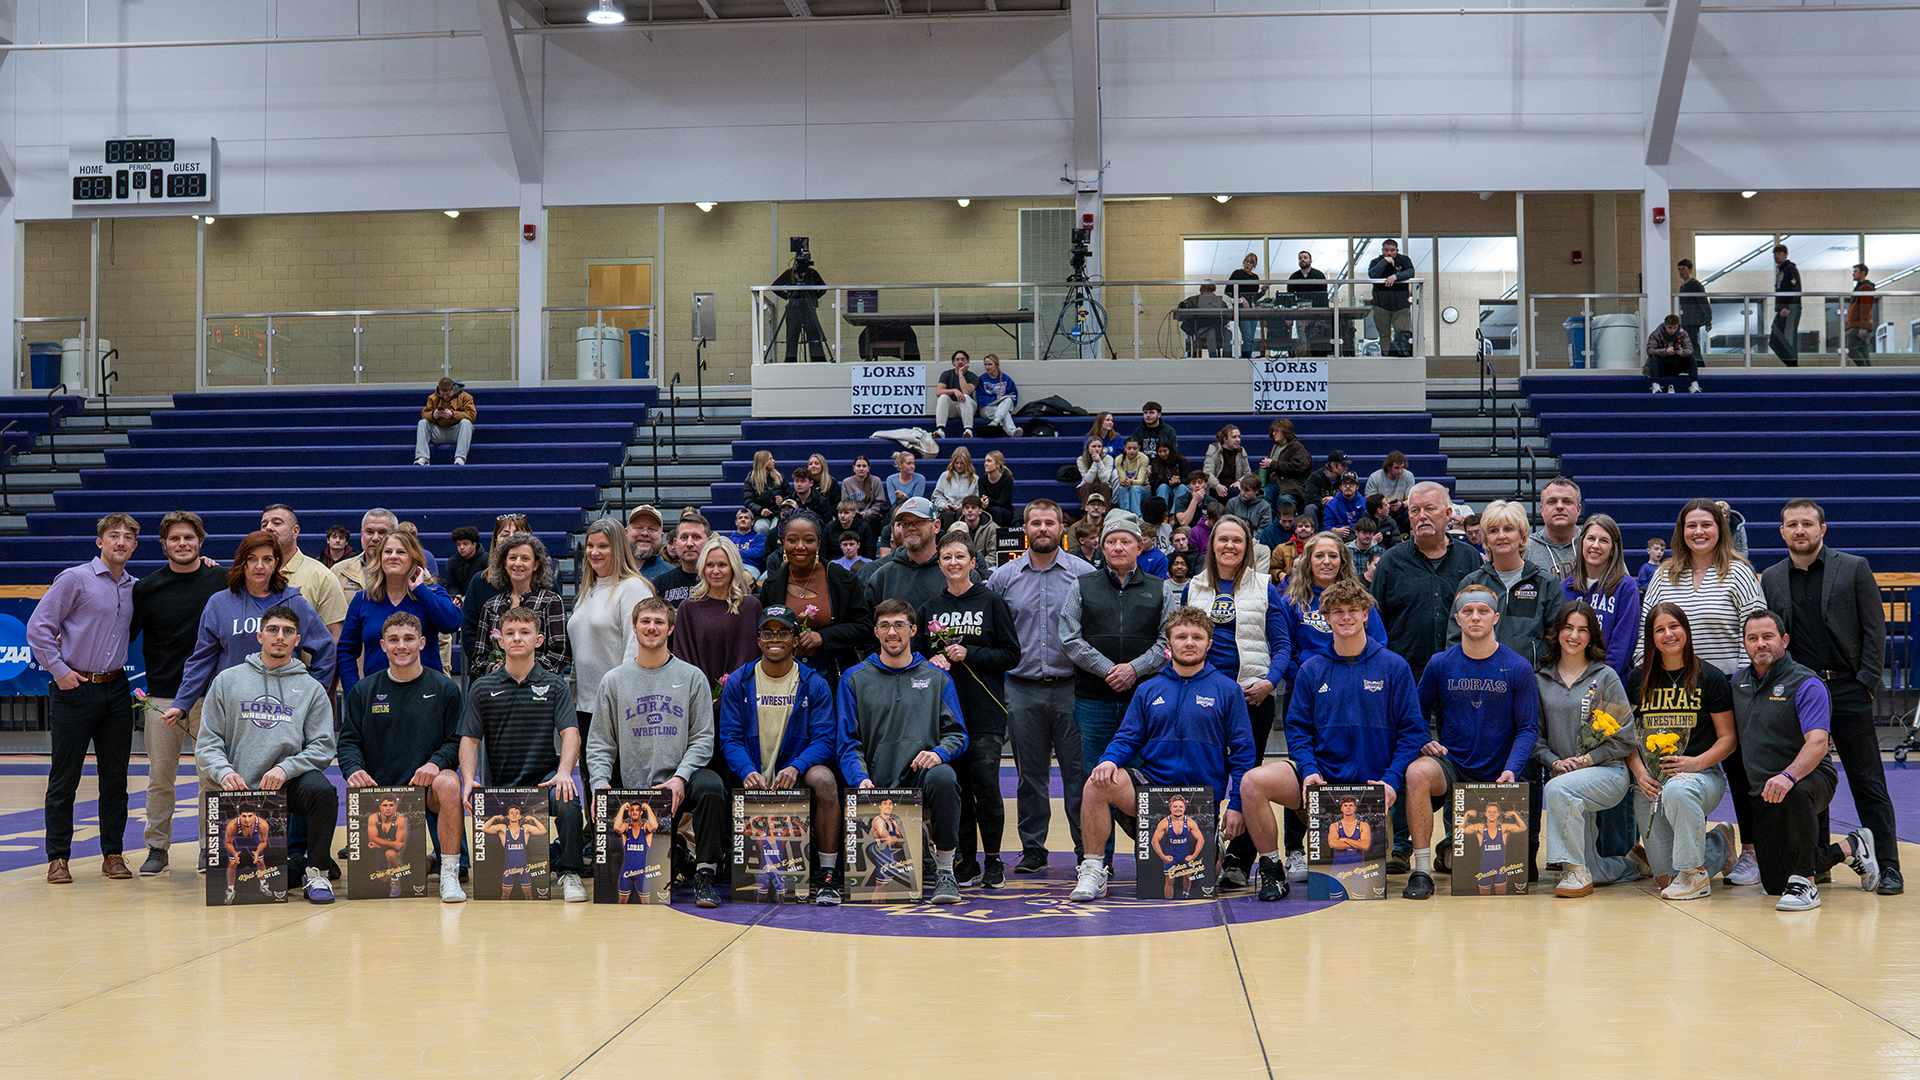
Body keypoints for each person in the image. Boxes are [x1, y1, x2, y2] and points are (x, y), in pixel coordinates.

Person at [1240, 580, 1423, 901]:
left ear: (1367, 614)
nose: (1346, 617)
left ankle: (1418, 866)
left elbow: (1412, 731)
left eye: (1353, 610)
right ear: (1325, 618)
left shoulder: (1394, 667)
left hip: (1375, 787)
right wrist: (1309, 770)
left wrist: (1391, 780)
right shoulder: (1312, 669)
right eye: (1337, 611)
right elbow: (1296, 728)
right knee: (1253, 782)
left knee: (1360, 882)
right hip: (1321, 782)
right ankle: (1271, 868)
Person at [1760, 498, 1899, 895]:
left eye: (1807, 523)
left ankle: (1889, 865)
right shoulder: (1771, 577)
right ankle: (1817, 862)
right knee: (1807, 777)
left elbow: (1875, 630)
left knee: (1868, 781)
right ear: (1782, 532)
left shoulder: (1853, 568)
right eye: (1792, 524)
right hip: (1803, 693)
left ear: (1823, 529)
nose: (1800, 530)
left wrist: (1866, 683)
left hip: (1848, 687)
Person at [1071, 606, 1256, 901]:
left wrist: (1236, 804)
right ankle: (1094, 868)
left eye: (1197, 637)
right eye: (1181, 636)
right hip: (1152, 790)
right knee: (1097, 783)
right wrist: (1109, 760)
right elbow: (1128, 736)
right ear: (1169, 644)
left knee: (1196, 884)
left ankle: (1216, 846)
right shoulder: (1149, 688)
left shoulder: (1227, 690)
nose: (1189, 642)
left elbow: (1243, 752)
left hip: (1200, 800)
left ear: (1209, 643)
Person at [1637, 497, 1766, 884]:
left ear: (1720, 529)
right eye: (1691, 525)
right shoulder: (1664, 574)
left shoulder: (1739, 572)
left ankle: (1753, 852)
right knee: (1673, 772)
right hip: (1674, 689)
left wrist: (1748, 683)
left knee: (1742, 773)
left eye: (1706, 525)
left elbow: (1755, 629)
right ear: (1681, 531)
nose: (1699, 532)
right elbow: (1649, 626)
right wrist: (1644, 675)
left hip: (1728, 683)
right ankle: (1695, 851)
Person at [1738, 610, 1883, 910]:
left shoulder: (1806, 683)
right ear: (1745, 644)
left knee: (1796, 792)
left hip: (1810, 778)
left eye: (1768, 636)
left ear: (1785, 640)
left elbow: (1817, 743)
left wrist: (1788, 776)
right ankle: (1851, 847)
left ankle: (1806, 884)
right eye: (1753, 638)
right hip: (1763, 791)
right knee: (1775, 884)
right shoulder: (1738, 683)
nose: (1760, 644)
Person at [195, 604, 340, 904]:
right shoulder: (227, 680)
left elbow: (323, 746)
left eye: (288, 632)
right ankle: (299, 864)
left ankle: (318, 872)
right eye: (273, 630)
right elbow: (208, 742)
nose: (280, 637)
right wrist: (224, 772)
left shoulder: (310, 688)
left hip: (286, 783)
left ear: (297, 640)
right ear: (259, 635)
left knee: (323, 792)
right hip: (241, 785)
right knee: (252, 884)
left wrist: (286, 768)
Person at [588, 597, 727, 907]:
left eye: (659, 622)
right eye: (645, 622)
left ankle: (705, 876)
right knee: (633, 888)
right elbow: (600, 743)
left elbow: (703, 738)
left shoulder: (692, 677)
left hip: (679, 782)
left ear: (671, 629)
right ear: (634, 628)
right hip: (635, 790)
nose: (651, 627)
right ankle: (675, 853)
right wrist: (599, 784)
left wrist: (681, 777)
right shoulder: (614, 681)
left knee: (712, 788)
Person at [1401, 585, 1539, 899]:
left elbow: (1528, 728)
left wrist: (1512, 769)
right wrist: (1425, 739)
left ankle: (1469, 848)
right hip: (1454, 764)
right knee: (1417, 773)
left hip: (1499, 769)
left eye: (1482, 611)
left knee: (1518, 875)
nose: (1475, 617)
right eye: (1467, 611)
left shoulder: (1517, 667)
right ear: (1458, 618)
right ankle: (1421, 871)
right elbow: (1416, 713)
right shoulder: (1440, 663)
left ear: (1495, 618)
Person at [28, 514, 141, 885]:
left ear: (135, 545)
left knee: (115, 778)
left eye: (128, 537)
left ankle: (113, 854)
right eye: (113, 536)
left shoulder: (134, 587)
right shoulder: (75, 579)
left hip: (115, 690)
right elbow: (39, 628)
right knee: (64, 778)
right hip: (75, 689)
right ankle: (58, 858)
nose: (120, 542)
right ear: (100, 542)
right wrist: (60, 671)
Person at [1179, 514, 1290, 883]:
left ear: (1247, 548)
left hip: (1251, 697)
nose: (1229, 546)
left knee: (1247, 781)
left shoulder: (1263, 585)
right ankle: (1202, 854)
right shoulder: (1193, 586)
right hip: (1204, 700)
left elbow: (1283, 645)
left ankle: (1239, 863)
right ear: (1211, 545)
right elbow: (1181, 640)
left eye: (1237, 541)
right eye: (1222, 539)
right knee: (1205, 773)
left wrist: (1269, 683)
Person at [988, 499, 1097, 873]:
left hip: (1072, 687)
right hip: (1022, 687)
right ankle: (1034, 847)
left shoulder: (1084, 574)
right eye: (1035, 523)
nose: (1043, 529)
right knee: (1028, 776)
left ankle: (1088, 849)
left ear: (1061, 528)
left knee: (1077, 775)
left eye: (1050, 522)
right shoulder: (1004, 577)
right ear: (1025, 529)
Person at [837, 598, 970, 904]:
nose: (892, 632)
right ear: (875, 632)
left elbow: (958, 734)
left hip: (917, 779)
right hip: (872, 782)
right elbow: (846, 742)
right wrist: (860, 778)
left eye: (899, 625)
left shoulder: (937, 678)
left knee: (945, 777)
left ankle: (945, 872)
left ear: (913, 630)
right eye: (884, 625)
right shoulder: (854, 678)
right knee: (872, 886)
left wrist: (938, 753)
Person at [1059, 514, 1171, 858]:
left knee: (1143, 782)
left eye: (1125, 541)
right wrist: (1109, 670)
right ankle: (1097, 860)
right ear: (1100, 546)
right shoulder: (1082, 586)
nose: (1118, 547)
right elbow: (1069, 638)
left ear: (1140, 546)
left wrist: (1134, 671)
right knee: (1096, 782)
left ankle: (1154, 858)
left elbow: (1168, 642)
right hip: (1093, 701)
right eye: (1111, 541)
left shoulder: (1160, 588)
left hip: (1145, 702)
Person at [716, 605, 845, 902]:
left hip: (795, 778)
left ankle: (827, 875)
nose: (775, 639)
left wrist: (797, 766)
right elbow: (730, 738)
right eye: (768, 632)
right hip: (753, 778)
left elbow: (825, 739)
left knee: (824, 779)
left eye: (783, 632)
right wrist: (747, 770)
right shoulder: (740, 681)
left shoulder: (814, 683)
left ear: (796, 639)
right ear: (759, 640)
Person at [460, 606, 588, 902]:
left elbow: (571, 733)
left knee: (567, 799)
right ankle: (455, 869)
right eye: (510, 633)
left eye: (525, 632)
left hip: (543, 783)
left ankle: (569, 873)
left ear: (538, 640)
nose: (517, 638)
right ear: (500, 642)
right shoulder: (481, 687)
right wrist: (468, 779)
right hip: (499, 789)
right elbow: (469, 739)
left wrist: (565, 771)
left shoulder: (555, 685)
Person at [337, 612, 468, 902]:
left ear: (422, 643)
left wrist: (436, 763)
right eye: (394, 640)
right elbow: (348, 743)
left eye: (409, 639)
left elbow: (457, 740)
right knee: (382, 881)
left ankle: (448, 872)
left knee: (449, 783)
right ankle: (428, 862)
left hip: (425, 792)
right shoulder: (363, 691)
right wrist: (353, 768)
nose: (401, 646)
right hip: (380, 794)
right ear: (382, 645)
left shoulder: (445, 689)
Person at [917, 533, 1022, 888]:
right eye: (946, 557)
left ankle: (993, 861)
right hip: (944, 717)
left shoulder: (991, 601)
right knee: (956, 789)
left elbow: (1011, 655)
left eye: (960, 556)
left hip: (984, 712)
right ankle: (965, 860)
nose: (953, 563)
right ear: (940, 563)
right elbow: (915, 658)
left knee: (987, 789)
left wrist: (971, 654)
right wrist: (930, 660)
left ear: (973, 562)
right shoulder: (930, 607)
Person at [129, 511, 228, 876]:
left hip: (211, 698)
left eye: (189, 538)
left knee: (212, 777)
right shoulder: (147, 588)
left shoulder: (222, 580)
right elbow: (120, 633)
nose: (183, 544)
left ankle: (210, 847)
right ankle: (157, 848)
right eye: (175, 539)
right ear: (164, 544)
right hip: (163, 698)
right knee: (160, 777)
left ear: (201, 542)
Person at [1625, 602, 1738, 900]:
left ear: (1686, 630)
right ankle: (1718, 844)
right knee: (1664, 880)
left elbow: (1728, 739)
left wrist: (1695, 763)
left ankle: (1695, 875)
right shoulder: (1638, 679)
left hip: (1701, 777)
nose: (1668, 634)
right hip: (1651, 783)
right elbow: (1626, 737)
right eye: (1659, 629)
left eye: (1674, 626)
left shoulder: (1710, 678)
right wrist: (1639, 773)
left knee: (1679, 789)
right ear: (1651, 638)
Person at [165, 532, 337, 726]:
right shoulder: (220, 603)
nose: (260, 566)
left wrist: (312, 692)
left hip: (281, 708)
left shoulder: (294, 603)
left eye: (267, 559)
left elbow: (325, 648)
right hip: (232, 705)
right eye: (252, 559)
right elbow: (202, 659)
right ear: (242, 563)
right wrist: (182, 702)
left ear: (276, 563)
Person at [1533, 602, 1639, 898]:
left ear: (1592, 636)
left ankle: (1574, 872)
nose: (1574, 636)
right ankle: (1632, 864)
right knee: (1600, 872)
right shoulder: (1541, 679)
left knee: (1557, 790)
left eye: (1582, 629)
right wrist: (1554, 763)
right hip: (1563, 775)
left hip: (1608, 774)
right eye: (1568, 628)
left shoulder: (1605, 676)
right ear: (1557, 633)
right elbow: (1535, 737)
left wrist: (1589, 759)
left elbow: (1625, 736)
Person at [1370, 481, 1484, 679]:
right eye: (1415, 510)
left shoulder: (1470, 558)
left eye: (1430, 509)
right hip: (1405, 675)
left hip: (1461, 673)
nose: (1422, 516)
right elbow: (1375, 622)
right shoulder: (1390, 561)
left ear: (1448, 514)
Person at [759, 512, 872, 688]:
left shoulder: (843, 580)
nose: (800, 546)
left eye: (809, 540)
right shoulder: (771, 586)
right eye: (792, 540)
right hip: (784, 677)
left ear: (819, 544)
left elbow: (864, 628)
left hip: (833, 675)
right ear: (782, 544)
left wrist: (823, 637)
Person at [1451, 500, 1563, 666]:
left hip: (1532, 681)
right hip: (1482, 682)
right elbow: (1454, 640)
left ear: (1522, 536)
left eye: (1508, 529)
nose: (1501, 536)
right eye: (1494, 530)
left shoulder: (1545, 583)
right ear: (1486, 539)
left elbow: (1557, 641)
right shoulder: (1471, 584)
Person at [568, 518, 656, 722]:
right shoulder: (587, 590)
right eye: (590, 545)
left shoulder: (633, 587)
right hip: (585, 706)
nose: (594, 552)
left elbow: (637, 649)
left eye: (603, 546)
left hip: (620, 706)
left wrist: (621, 698)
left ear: (617, 549)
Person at [467, 533, 568, 678]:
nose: (518, 563)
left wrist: (522, 671)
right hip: (499, 689)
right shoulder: (491, 606)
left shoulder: (551, 601)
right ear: (504, 563)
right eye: (512, 558)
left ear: (536, 565)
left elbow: (560, 653)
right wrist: (497, 670)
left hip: (539, 688)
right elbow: (479, 658)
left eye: (525, 558)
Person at [670, 535, 763, 688]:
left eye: (722, 565)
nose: (715, 571)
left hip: (740, 697)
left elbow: (753, 657)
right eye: (710, 565)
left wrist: (729, 692)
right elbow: (683, 660)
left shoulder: (751, 606)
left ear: (733, 567)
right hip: (700, 696)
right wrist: (704, 695)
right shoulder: (688, 608)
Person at [1565, 514, 1641, 678]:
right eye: (1591, 538)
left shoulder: (1626, 587)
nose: (1595, 545)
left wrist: (1600, 681)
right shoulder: (1564, 587)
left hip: (1610, 684)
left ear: (1613, 549)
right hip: (1570, 682)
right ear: (1581, 542)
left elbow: (1622, 645)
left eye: (1604, 541)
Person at [258, 504, 349, 639]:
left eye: (277, 523)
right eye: (264, 525)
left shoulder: (321, 576)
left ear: (295, 531)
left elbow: (335, 634)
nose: (269, 528)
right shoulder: (251, 574)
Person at [863, 497, 948, 615]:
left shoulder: (953, 572)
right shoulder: (882, 577)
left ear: (936, 526)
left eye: (918, 521)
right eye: (905, 523)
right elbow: (867, 626)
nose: (911, 528)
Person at [771, 244, 828, 362]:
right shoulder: (789, 273)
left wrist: (813, 296)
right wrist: (787, 296)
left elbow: (823, 288)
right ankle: (790, 362)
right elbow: (775, 287)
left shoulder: (812, 273)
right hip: (794, 309)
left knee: (814, 338)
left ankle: (818, 362)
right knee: (792, 338)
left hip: (808, 308)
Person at [331, 507, 397, 596]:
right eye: (370, 532)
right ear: (362, 535)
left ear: (395, 536)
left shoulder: (413, 573)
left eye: (382, 532)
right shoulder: (339, 572)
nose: (375, 538)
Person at [1367, 239, 1416, 356]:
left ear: (1397, 250)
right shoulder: (1376, 262)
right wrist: (1384, 262)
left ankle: (1403, 356)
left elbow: (1410, 272)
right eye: (1386, 250)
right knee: (1384, 335)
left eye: (1392, 250)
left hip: (1400, 306)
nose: (1389, 253)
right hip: (1381, 306)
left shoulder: (1404, 260)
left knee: (1402, 333)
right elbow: (1372, 275)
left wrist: (1396, 276)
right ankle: (1386, 356)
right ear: (1382, 250)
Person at [651, 513, 711, 607]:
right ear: (675, 543)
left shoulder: (719, 581)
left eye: (696, 537)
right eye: (684, 537)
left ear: (709, 542)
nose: (689, 543)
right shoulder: (660, 584)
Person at [1526, 477, 1581, 580]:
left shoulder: (1592, 545)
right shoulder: (1526, 549)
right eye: (1552, 501)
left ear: (1578, 509)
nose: (1559, 506)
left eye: (1567, 501)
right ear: (1542, 510)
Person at [414, 376, 475, 465]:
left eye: (448, 395)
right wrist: (433, 415)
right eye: (443, 395)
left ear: (453, 389)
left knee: (466, 423)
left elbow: (471, 415)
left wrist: (453, 415)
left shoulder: (465, 397)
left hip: (456, 432)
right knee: (422, 423)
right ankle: (423, 458)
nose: (445, 397)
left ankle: (460, 458)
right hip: (439, 432)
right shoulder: (432, 398)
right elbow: (424, 414)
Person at [1259, 418, 1311, 516]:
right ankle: (1270, 526)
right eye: (1273, 431)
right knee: (1263, 495)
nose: (1274, 433)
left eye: (1277, 431)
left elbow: (1298, 467)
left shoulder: (1297, 447)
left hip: (1292, 485)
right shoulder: (1276, 447)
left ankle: (1287, 526)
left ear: (1286, 432)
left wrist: (1272, 464)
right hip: (1275, 483)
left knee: (1285, 499)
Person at [1676, 257, 1710, 389]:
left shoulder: (1695, 285)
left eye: (1683, 269)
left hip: (1693, 320)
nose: (1681, 272)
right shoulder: (1683, 286)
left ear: (1689, 269)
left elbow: (1702, 301)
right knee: (1688, 343)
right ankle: (1693, 365)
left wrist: (1708, 319)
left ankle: (1699, 366)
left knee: (1692, 343)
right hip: (1686, 320)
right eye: (1679, 269)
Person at [1288, 250, 1331, 352]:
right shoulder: (1294, 277)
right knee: (1301, 329)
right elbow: (1289, 297)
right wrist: (1289, 315)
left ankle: (1318, 354)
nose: (1302, 259)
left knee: (1319, 335)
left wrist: (1324, 314)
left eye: (1305, 257)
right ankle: (1304, 353)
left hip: (1318, 314)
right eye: (1300, 258)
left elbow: (1323, 297)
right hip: (1302, 314)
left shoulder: (1319, 275)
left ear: (1310, 260)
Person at [933, 349, 980, 438]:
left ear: (967, 362)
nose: (960, 362)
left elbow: (967, 391)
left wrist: (961, 374)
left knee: (965, 396)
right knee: (943, 397)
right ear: (953, 362)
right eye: (957, 360)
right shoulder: (946, 374)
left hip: (967, 407)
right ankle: (940, 430)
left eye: (963, 359)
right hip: (953, 407)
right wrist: (954, 390)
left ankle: (968, 430)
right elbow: (939, 392)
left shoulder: (973, 377)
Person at [1769, 242, 1802, 367]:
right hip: (1781, 309)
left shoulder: (1790, 270)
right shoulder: (1781, 271)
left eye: (1779, 253)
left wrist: (1788, 307)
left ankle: (1793, 366)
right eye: (1775, 254)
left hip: (1789, 309)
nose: (1776, 256)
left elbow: (1795, 289)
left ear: (1785, 254)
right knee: (1775, 339)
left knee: (1788, 338)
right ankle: (1791, 364)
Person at [1646, 314, 1697, 395]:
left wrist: (1682, 352)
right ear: (1665, 325)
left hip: (1676, 363)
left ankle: (1694, 384)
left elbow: (1690, 350)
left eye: (1674, 327)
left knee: (1691, 358)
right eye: (1670, 327)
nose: (1672, 330)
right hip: (1662, 364)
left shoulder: (1683, 334)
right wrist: (1665, 351)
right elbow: (1650, 351)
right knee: (1654, 358)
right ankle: (1655, 385)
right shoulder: (1656, 334)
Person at [1302, 449, 1351, 529]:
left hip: (1338, 512)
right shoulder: (1316, 477)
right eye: (1342, 465)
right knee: (1310, 508)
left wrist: (1334, 500)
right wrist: (1324, 501)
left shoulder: (1346, 479)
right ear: (1332, 465)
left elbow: (1351, 497)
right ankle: (1313, 537)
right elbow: (1309, 497)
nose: (1346, 468)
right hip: (1320, 511)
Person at [1203, 425, 1253, 503]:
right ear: (1225, 439)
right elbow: (1207, 473)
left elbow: (1247, 473)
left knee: (1237, 493)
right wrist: (1216, 485)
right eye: (1234, 437)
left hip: (1233, 486)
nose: (1238, 440)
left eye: (1239, 437)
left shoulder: (1241, 452)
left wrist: (1240, 482)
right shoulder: (1214, 450)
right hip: (1217, 486)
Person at [975, 354, 1021, 437]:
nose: (987, 367)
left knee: (1008, 400)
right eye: (985, 364)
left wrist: (1002, 399)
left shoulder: (1006, 379)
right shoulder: (982, 379)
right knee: (1004, 411)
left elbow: (1014, 396)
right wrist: (995, 398)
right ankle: (1012, 431)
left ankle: (996, 421)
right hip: (987, 408)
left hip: (1003, 405)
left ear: (996, 364)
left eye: (990, 364)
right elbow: (980, 399)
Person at [442, 525, 487, 608]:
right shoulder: (452, 561)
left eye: (465, 544)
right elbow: (450, 584)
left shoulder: (486, 560)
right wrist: (457, 596)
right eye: (459, 544)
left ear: (474, 544)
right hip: (458, 602)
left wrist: (468, 597)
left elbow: (486, 585)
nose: (461, 547)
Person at [627, 504, 673, 583]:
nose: (645, 533)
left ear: (661, 536)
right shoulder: (610, 572)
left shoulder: (671, 576)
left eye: (652, 529)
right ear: (626, 533)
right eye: (638, 527)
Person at [933, 447, 979, 523]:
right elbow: (937, 496)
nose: (958, 466)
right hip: (947, 509)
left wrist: (964, 506)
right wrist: (944, 505)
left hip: (965, 510)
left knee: (961, 512)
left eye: (962, 463)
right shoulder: (945, 476)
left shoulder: (974, 479)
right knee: (948, 514)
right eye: (956, 463)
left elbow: (976, 499)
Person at [843, 455, 888, 530]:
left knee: (868, 521)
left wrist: (867, 513)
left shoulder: (876, 481)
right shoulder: (847, 482)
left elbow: (880, 503)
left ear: (868, 469)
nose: (861, 469)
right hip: (853, 515)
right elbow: (845, 503)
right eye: (858, 466)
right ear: (854, 468)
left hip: (871, 515)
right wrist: (855, 513)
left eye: (864, 466)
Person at [1844, 263, 1876, 366]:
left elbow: (1865, 308)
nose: (1853, 274)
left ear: (1863, 273)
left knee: (1851, 349)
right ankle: (1868, 371)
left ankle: (1863, 370)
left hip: (1857, 325)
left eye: (1855, 272)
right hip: (1856, 324)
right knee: (1862, 348)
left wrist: (1863, 327)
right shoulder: (1860, 288)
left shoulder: (1865, 288)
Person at [1112, 437, 1152, 516]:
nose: (1132, 451)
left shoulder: (1144, 458)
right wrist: (1125, 482)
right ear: (1124, 448)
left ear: (1139, 448)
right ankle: (1124, 514)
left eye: (1134, 448)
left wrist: (1131, 482)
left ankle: (1136, 516)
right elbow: (1122, 479)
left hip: (1143, 488)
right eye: (1129, 448)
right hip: (1127, 487)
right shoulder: (1119, 459)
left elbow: (1140, 480)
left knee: (1134, 489)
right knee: (1122, 489)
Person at [1074, 435, 1117, 507]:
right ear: (1088, 448)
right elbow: (1088, 480)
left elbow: (1105, 479)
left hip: (1102, 485)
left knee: (1105, 486)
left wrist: (1099, 462)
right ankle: (1086, 513)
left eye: (1099, 447)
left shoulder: (1108, 459)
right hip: (1087, 486)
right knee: (1086, 486)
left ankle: (1104, 514)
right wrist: (1095, 463)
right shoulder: (1081, 460)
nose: (1097, 449)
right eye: (1093, 446)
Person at [1322, 472, 1366, 538]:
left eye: (1351, 483)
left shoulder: (1364, 502)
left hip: (1358, 536)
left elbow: (1368, 524)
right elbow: (1326, 527)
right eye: (1345, 484)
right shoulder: (1331, 504)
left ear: (1357, 487)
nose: (1348, 486)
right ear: (1340, 487)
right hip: (1338, 538)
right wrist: (1337, 531)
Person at [957, 496, 999, 564]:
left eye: (973, 507)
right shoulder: (956, 529)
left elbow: (993, 555)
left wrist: (979, 566)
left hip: (985, 567)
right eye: (967, 508)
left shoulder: (993, 528)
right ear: (963, 511)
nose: (970, 510)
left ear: (980, 510)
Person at [978, 449, 1015, 527]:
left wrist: (989, 501)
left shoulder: (1007, 479)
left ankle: (997, 535)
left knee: (995, 510)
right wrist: (983, 502)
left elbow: (1002, 502)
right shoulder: (982, 480)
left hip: (1004, 512)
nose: (985, 464)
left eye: (989, 461)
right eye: (985, 461)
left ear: (998, 464)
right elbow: (983, 497)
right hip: (988, 509)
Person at [728, 509, 769, 574]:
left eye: (746, 518)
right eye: (740, 518)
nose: (743, 519)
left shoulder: (759, 538)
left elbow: (758, 553)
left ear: (752, 522)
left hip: (750, 567)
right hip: (731, 566)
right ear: (736, 522)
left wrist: (735, 552)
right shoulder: (728, 540)